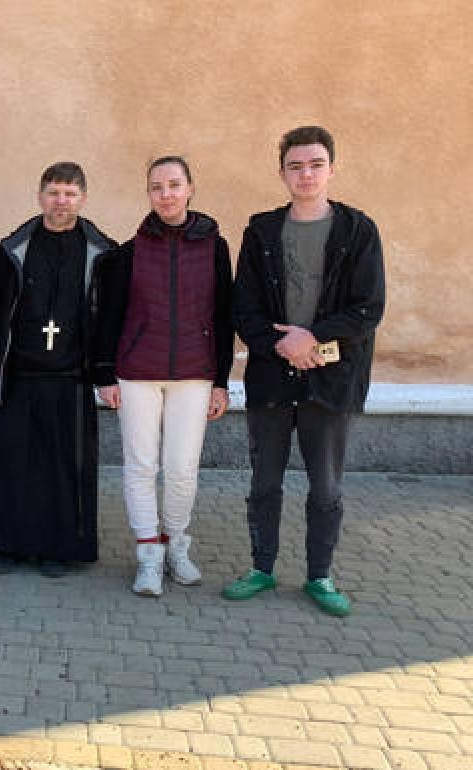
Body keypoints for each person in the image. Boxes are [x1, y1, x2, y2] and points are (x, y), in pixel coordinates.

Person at [223, 126, 385, 616]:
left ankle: (320, 575)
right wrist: (282, 345)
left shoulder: (359, 231)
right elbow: (244, 308)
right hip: (273, 376)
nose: (306, 174)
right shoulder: (261, 231)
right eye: (296, 166)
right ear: (282, 173)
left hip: (331, 380)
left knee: (327, 486)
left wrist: (311, 338)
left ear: (331, 169)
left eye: (315, 164)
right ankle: (261, 568)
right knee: (264, 482)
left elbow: (367, 308)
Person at [90, 156, 233, 597]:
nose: (166, 194)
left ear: (190, 188)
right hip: (137, 373)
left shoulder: (215, 247)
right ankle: (148, 553)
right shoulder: (130, 252)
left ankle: (176, 544)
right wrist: (106, 374)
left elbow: (225, 315)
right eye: (157, 186)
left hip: (194, 373)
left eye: (174, 185)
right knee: (140, 465)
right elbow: (110, 315)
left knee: (181, 469)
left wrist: (222, 380)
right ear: (148, 193)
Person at [0, 162, 116, 577]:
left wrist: (105, 373)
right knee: (11, 464)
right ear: (40, 195)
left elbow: (110, 318)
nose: (61, 201)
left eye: (69, 193)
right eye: (53, 192)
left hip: (70, 378)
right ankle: (7, 545)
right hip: (18, 377)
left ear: (82, 198)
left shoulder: (103, 254)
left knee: (62, 467)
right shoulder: (12, 248)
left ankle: (56, 547)